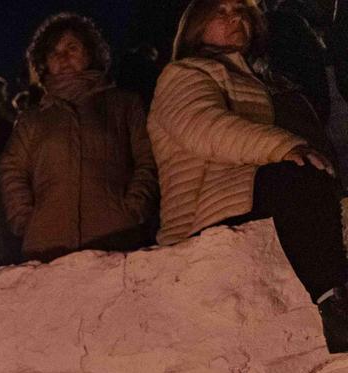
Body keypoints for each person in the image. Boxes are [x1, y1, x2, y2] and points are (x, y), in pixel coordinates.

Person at [149, 0, 348, 352]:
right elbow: (204, 127)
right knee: (295, 176)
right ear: (196, 25)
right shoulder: (185, 73)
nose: (235, 18)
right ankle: (335, 307)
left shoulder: (266, 80)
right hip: (211, 204)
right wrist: (285, 147)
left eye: (241, 11)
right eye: (220, 12)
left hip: (253, 189)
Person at [0, 13, 159, 263]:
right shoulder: (34, 118)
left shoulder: (123, 104)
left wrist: (135, 207)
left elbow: (147, 159)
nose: (63, 58)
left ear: (90, 53)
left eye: (72, 48)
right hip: (48, 243)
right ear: (44, 62)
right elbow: (12, 169)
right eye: (54, 52)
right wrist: (25, 219)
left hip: (116, 236)